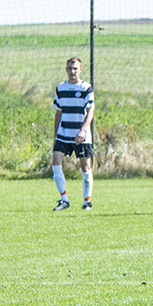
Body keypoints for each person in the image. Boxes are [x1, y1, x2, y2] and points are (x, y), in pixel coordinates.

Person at [51, 57, 95, 211]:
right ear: (66, 69)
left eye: (75, 68)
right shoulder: (60, 88)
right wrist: (55, 135)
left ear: (80, 70)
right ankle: (64, 199)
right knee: (56, 162)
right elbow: (58, 112)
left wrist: (83, 130)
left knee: (85, 166)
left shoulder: (86, 88)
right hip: (63, 133)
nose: (72, 71)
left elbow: (91, 111)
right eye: (70, 68)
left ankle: (86, 201)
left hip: (81, 135)